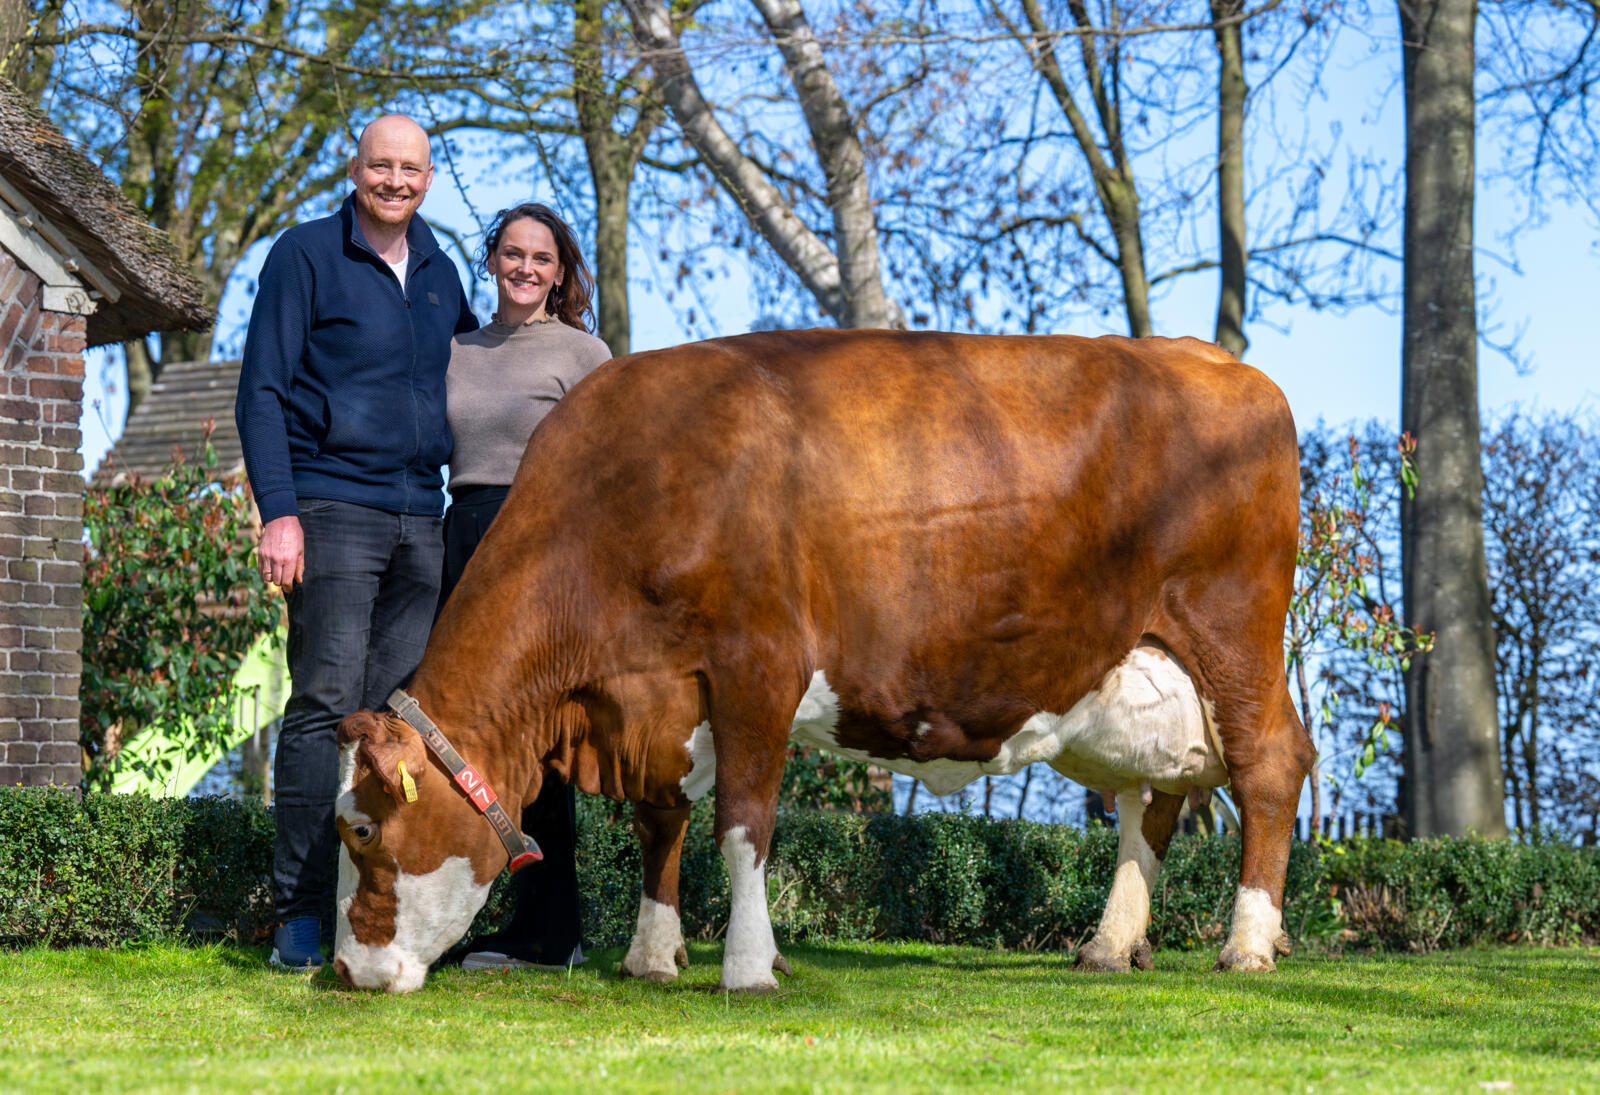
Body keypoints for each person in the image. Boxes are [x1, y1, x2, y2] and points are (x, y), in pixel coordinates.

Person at [235, 114, 478, 970]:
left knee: (390, 727)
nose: (396, 180)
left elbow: (480, 372)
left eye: (411, 168)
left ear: (428, 178)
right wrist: (281, 511)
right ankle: (298, 914)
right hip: (332, 507)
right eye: (382, 165)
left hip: (423, 519)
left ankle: (367, 908)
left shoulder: (444, 273)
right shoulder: (303, 255)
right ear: (355, 165)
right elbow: (260, 389)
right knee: (323, 708)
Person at [440, 202, 610, 971]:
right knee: (466, 735)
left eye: (541, 258)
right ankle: (460, 910)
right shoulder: (457, 347)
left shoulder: (583, 353)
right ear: (493, 258)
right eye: (513, 253)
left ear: (561, 271)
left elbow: (614, 467)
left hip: (541, 543)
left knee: (538, 745)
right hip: (463, 534)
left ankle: (553, 930)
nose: (526, 268)